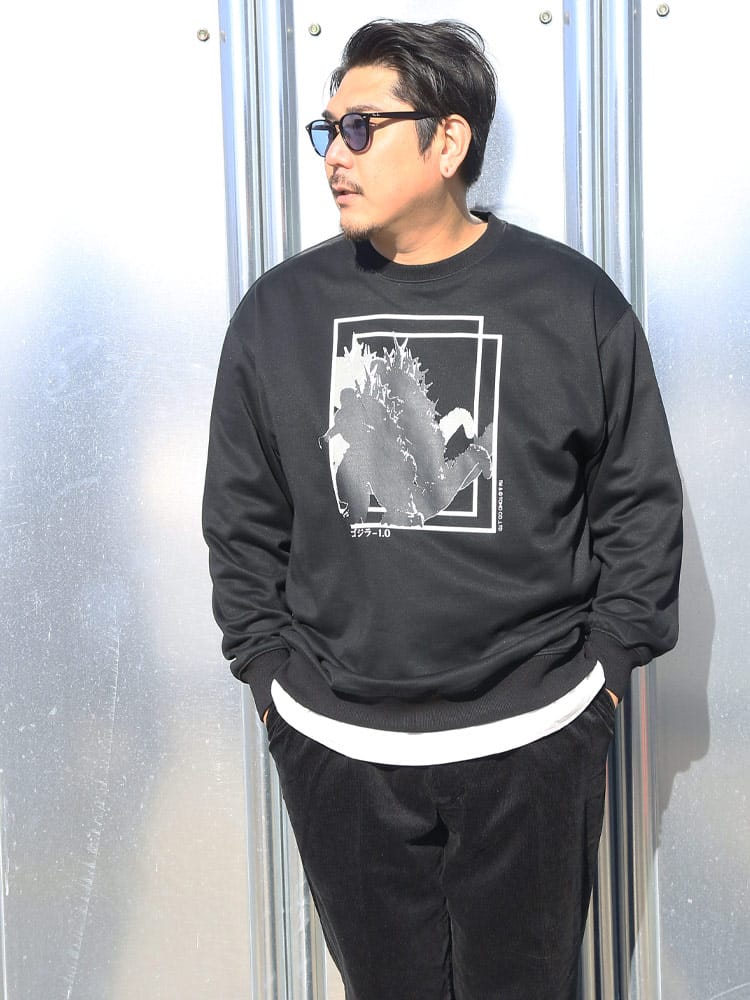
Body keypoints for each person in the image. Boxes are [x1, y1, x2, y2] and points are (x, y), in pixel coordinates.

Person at [202, 18, 682, 1000]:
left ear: (449, 140)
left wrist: (603, 678)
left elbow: (637, 502)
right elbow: (241, 518)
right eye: (327, 131)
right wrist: (272, 683)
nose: (334, 156)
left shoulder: (570, 302)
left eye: (361, 127)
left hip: (532, 737)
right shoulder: (279, 315)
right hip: (339, 745)